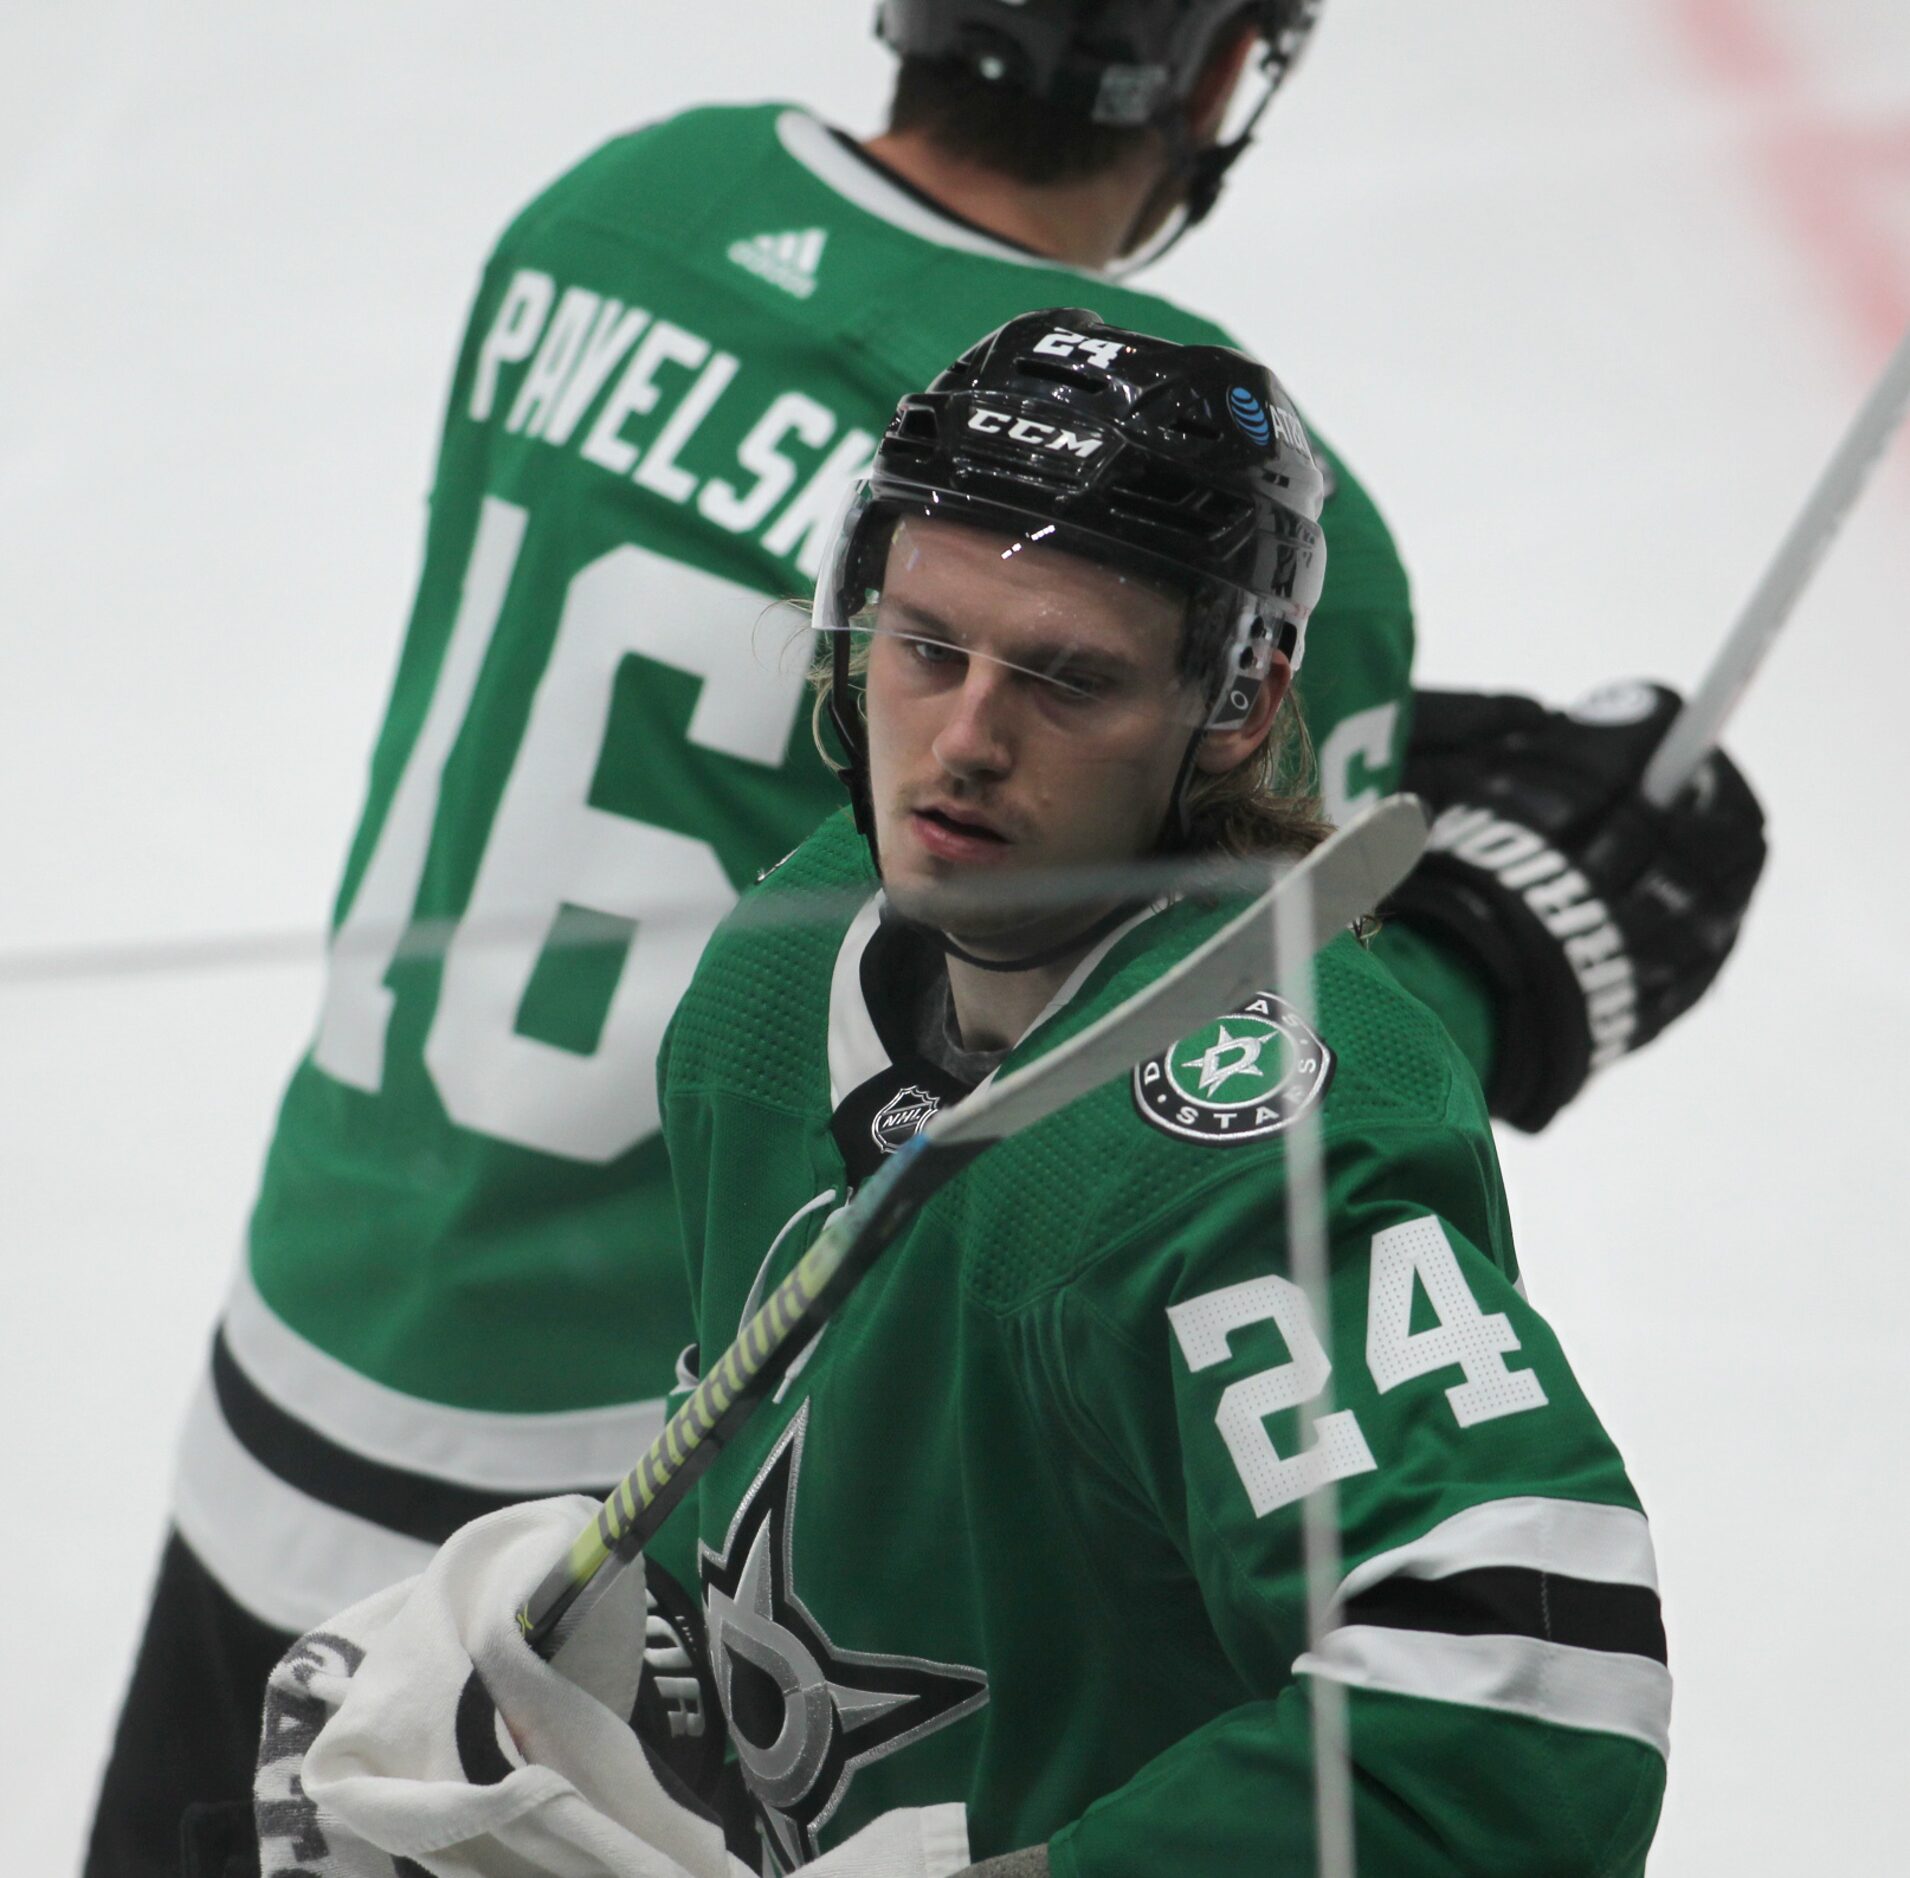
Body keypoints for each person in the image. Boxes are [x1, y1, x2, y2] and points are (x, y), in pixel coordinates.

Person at [94, 5, 1747, 1868]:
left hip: (314, 1352)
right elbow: (1201, 1041)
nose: (967, 728)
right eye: (932, 652)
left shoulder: (618, 215)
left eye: (1062, 675)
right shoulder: (1242, 484)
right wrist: (1498, 952)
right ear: (1212, 68)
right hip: (686, 1514)